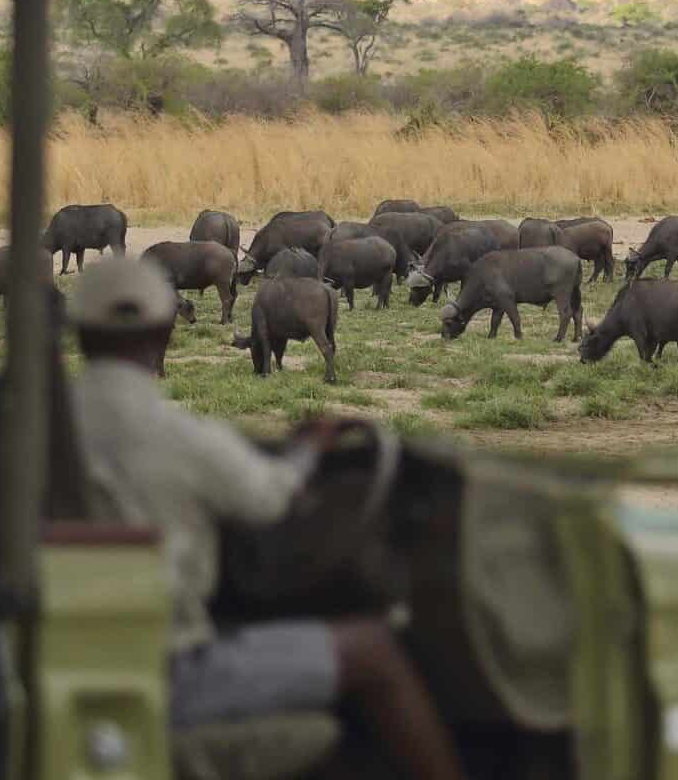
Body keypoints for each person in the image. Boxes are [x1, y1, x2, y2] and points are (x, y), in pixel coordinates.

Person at [66, 257, 461, 780]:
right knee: (374, 651)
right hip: (166, 670)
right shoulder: (182, 437)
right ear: (164, 330)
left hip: (53, 656)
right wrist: (304, 453)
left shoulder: (32, 429)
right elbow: (273, 499)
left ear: (79, 332)